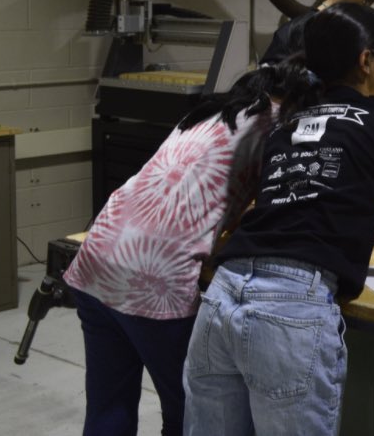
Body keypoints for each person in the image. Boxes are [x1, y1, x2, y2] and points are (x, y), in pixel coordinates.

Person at [183, 2, 374, 436]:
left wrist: (363, 227)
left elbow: (298, 203)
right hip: (292, 308)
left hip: (222, 293)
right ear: (366, 62)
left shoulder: (286, 122)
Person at [63, 66, 287, 436]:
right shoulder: (276, 125)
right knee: (189, 412)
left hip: (99, 252)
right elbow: (286, 205)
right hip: (155, 275)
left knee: (109, 404)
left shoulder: (208, 112)